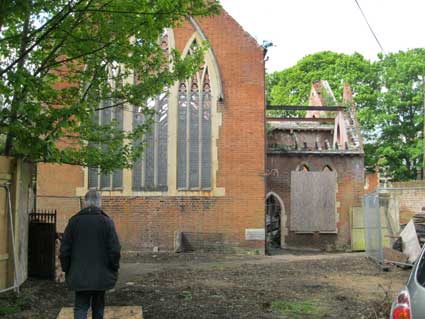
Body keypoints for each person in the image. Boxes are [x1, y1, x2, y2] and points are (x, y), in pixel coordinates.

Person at [60, 190, 121, 319]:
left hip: (79, 274)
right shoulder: (107, 222)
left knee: (80, 308)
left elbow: (64, 250)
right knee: (98, 307)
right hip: (101, 274)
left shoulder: (74, 222)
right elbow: (115, 250)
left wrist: (67, 269)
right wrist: (113, 268)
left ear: (85, 202)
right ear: (100, 203)